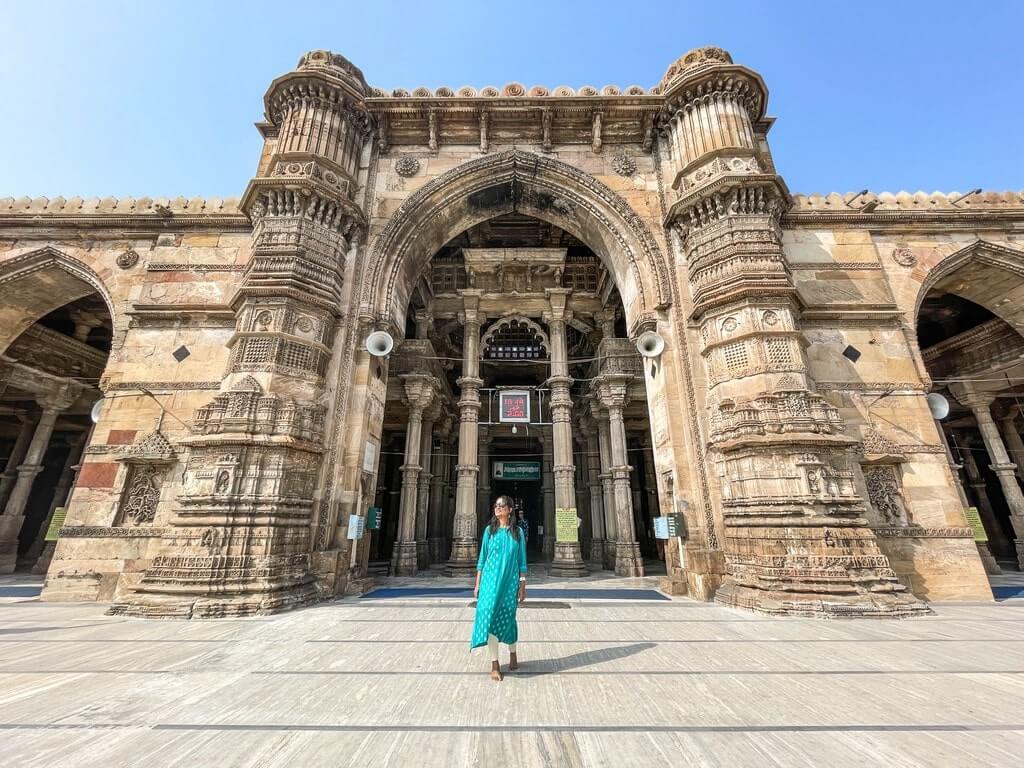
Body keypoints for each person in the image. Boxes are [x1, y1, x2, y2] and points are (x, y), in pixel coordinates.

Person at [471, 495, 527, 681]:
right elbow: (482, 558)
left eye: (502, 506)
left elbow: (522, 561)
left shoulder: (517, 533)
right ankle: (494, 664)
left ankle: (512, 651)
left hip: (509, 583)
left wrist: (522, 585)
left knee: (508, 618)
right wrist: (478, 583)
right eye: (496, 505)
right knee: (488, 616)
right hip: (489, 583)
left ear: (510, 510)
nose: (498, 508)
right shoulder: (490, 531)